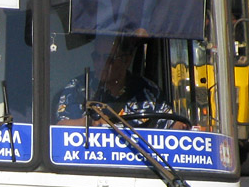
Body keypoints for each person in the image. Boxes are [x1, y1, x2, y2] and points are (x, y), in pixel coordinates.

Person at [56, 35, 184, 128]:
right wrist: (90, 122)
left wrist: (182, 128)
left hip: (141, 162)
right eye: (96, 57)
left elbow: (171, 126)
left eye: (108, 59)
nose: (101, 63)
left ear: (127, 60)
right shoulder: (78, 87)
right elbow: (61, 126)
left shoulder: (149, 92)